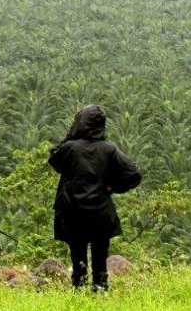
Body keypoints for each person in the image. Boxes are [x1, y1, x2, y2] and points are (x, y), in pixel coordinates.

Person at [48, 104, 142, 291]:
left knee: (78, 260)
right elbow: (134, 174)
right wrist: (113, 187)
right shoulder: (109, 150)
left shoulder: (70, 149)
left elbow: (53, 159)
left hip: (74, 213)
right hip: (100, 213)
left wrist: (71, 135)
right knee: (100, 261)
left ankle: (80, 293)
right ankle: (100, 291)